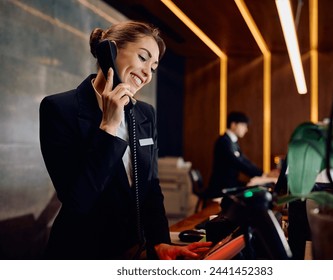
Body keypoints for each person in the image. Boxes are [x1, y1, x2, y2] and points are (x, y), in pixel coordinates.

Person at [39, 21, 211, 260]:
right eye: (143, 58)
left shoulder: (145, 114)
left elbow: (151, 187)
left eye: (153, 68)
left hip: (132, 252)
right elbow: (78, 200)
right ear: (110, 50)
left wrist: (159, 242)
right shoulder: (59, 109)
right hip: (82, 254)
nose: (147, 74)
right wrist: (108, 127)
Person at [207, 111, 263, 198]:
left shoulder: (232, 141)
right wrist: (261, 175)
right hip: (222, 185)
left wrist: (262, 173)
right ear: (233, 125)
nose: (246, 129)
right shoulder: (224, 141)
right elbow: (238, 163)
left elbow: (244, 160)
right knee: (255, 192)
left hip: (230, 183)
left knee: (257, 189)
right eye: (243, 125)